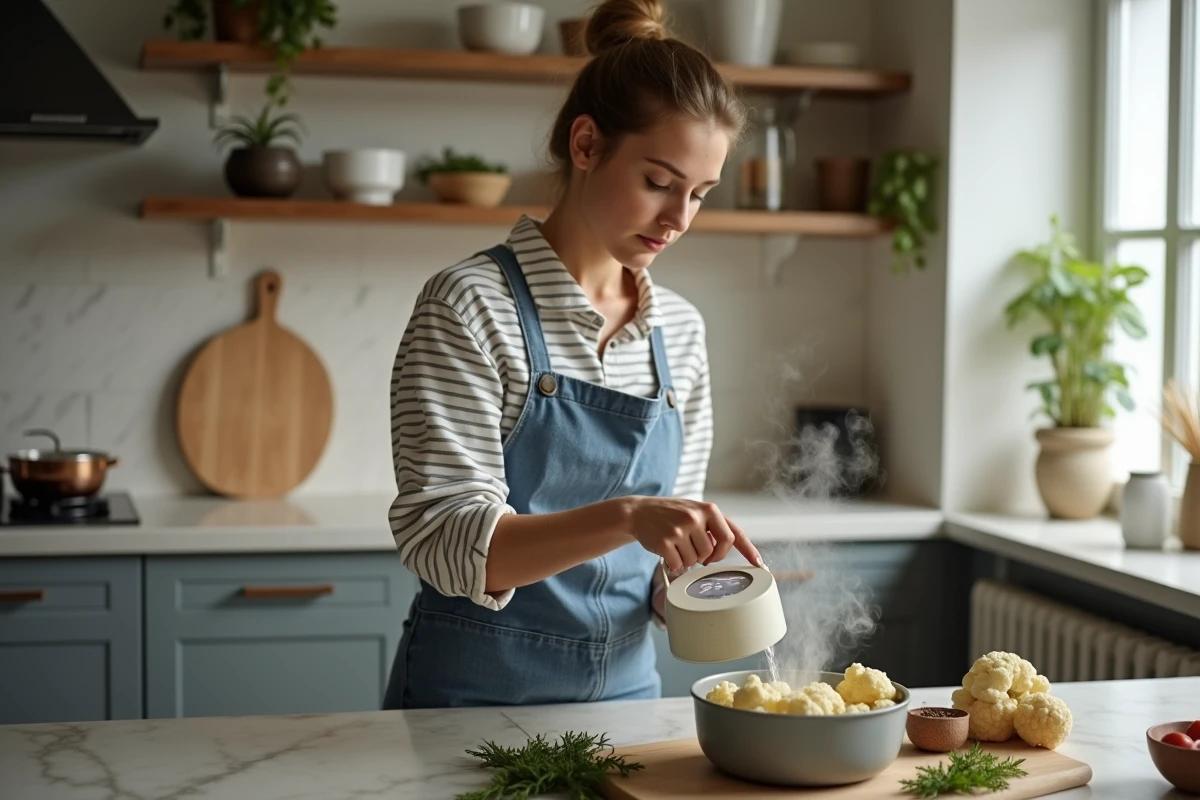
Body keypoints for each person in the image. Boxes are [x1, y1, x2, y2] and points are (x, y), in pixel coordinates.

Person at [382, 0, 764, 710]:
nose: (679, 219)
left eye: (700, 195)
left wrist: (699, 579)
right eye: (658, 182)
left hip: (629, 701)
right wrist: (628, 516)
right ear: (586, 145)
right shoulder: (468, 305)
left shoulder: (679, 329)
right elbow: (444, 538)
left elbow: (659, 565)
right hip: (469, 704)